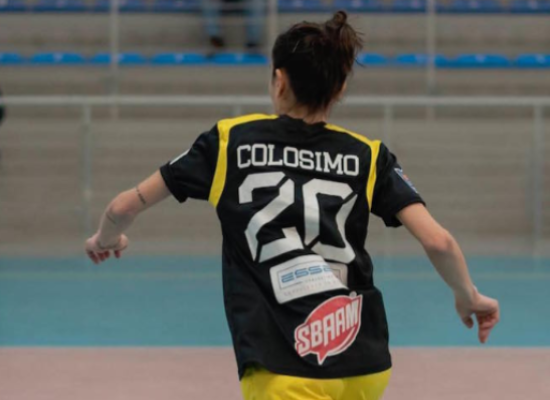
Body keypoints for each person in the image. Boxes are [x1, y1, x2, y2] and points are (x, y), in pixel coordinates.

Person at [85, 11, 500, 400]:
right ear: (340, 88)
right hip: (363, 360)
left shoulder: (230, 142)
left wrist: (106, 238)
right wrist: (467, 295)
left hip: (285, 365)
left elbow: (124, 207)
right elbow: (438, 241)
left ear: (279, 81)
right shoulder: (369, 155)